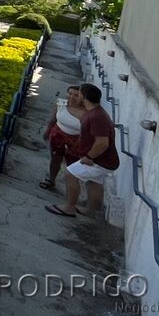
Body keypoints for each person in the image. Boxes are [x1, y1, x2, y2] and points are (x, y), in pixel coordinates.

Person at [47, 83, 120, 218]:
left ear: (83, 96)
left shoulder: (96, 117)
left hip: (101, 160)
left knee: (70, 173)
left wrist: (89, 156)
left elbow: (102, 142)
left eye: (78, 94)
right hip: (106, 160)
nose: (75, 96)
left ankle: (69, 207)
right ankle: (91, 210)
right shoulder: (95, 113)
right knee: (94, 181)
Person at [38, 84, 87, 191]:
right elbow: (53, 119)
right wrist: (47, 131)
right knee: (55, 158)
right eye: (70, 93)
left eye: (76, 95)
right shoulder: (60, 103)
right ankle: (51, 180)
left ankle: (71, 189)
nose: (72, 97)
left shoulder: (86, 112)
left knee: (72, 165)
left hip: (76, 140)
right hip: (57, 135)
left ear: (82, 97)